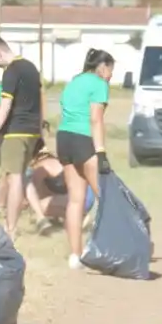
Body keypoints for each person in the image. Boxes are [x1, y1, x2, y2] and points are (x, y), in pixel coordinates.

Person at [57, 49, 114, 269]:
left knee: (75, 200)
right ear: (102, 67)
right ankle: (111, 250)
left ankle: (75, 256)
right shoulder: (99, 84)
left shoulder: (73, 82)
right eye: (110, 70)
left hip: (64, 139)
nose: (111, 76)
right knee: (108, 199)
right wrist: (100, 152)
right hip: (84, 140)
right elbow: (96, 119)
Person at [0, 36, 44, 238]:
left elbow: (5, 106)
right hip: (32, 131)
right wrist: (40, 129)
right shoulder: (32, 68)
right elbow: (40, 101)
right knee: (17, 176)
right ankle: (12, 223)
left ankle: (11, 228)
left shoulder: (11, 71)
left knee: (14, 178)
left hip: (16, 131)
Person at [24, 147, 95, 232]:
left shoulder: (41, 168)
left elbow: (35, 194)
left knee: (40, 206)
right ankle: (74, 218)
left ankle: (80, 218)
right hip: (88, 194)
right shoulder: (56, 162)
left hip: (81, 197)